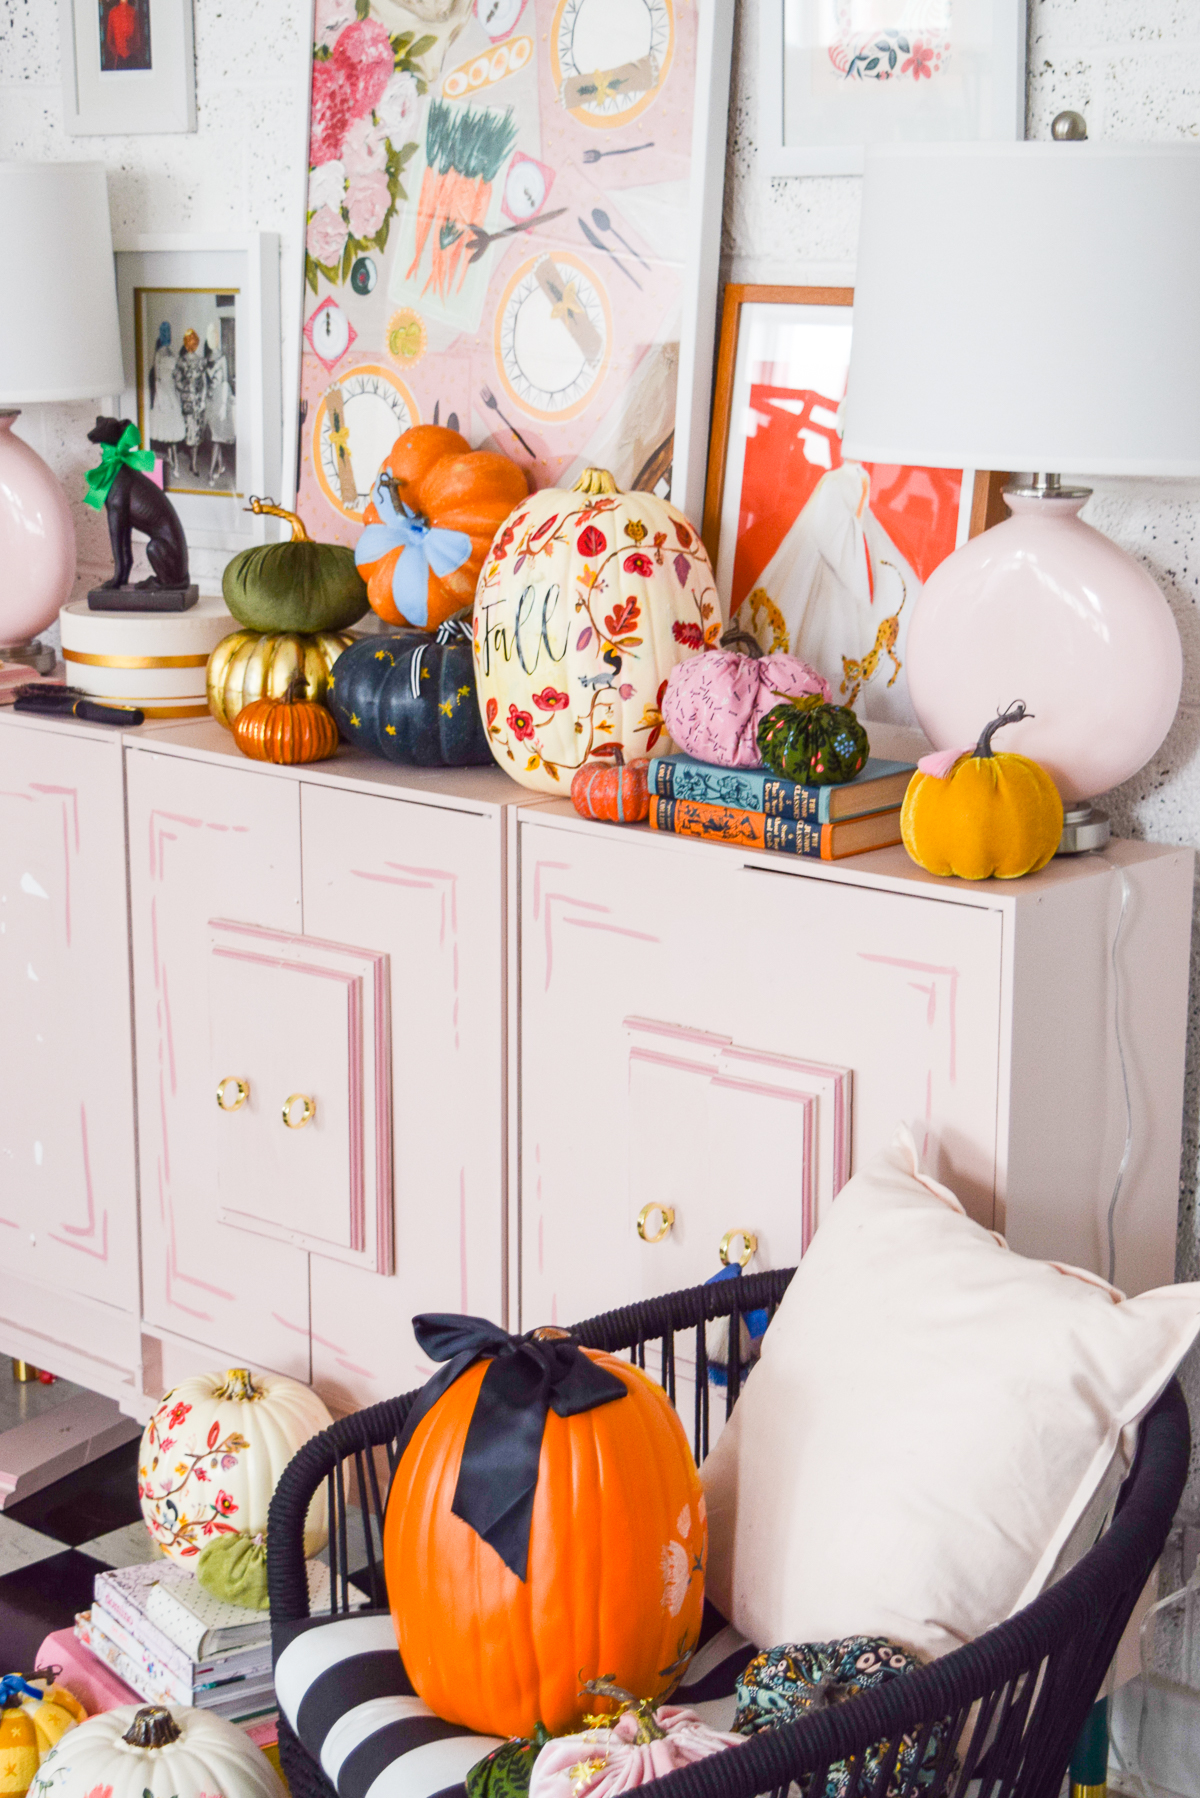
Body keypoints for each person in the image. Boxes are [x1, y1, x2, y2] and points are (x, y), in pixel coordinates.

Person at [147, 321, 185, 478]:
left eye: (168, 332)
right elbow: (156, 379)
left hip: (172, 391)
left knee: (174, 429)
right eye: (165, 332)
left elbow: (176, 374)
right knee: (168, 429)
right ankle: (173, 462)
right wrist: (161, 400)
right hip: (163, 394)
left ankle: (173, 460)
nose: (168, 335)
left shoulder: (172, 353)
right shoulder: (159, 354)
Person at [204, 322, 236, 487]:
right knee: (215, 436)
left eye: (214, 335)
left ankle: (210, 473)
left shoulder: (223, 358)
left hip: (221, 399)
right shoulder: (206, 358)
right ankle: (221, 466)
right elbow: (206, 382)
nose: (212, 338)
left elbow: (225, 381)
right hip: (211, 400)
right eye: (209, 335)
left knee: (217, 439)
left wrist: (224, 404)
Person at [173, 328, 207, 477]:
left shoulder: (201, 361)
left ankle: (193, 464)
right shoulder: (181, 361)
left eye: (194, 341)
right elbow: (177, 381)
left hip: (198, 402)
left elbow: (204, 382)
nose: (192, 344)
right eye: (190, 341)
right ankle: (188, 462)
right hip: (188, 402)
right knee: (190, 432)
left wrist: (203, 397)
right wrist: (186, 390)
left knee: (197, 433)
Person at [104, 0, 145, 69]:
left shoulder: (133, 12)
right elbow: (138, 41)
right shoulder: (114, 13)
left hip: (127, 58)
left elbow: (138, 40)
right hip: (124, 58)